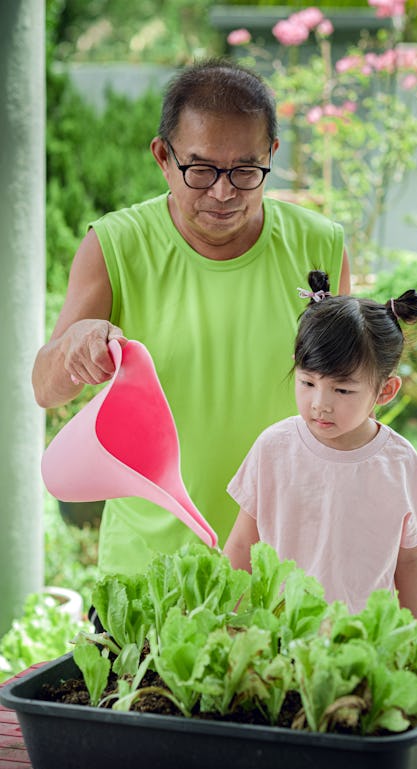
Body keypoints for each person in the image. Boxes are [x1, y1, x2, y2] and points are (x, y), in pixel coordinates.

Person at [32, 58, 350, 577]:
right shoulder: (116, 245)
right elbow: (45, 389)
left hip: (286, 568)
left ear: (272, 154)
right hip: (151, 576)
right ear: (163, 156)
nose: (223, 192)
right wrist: (76, 344)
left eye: (245, 170)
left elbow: (349, 392)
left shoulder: (319, 244)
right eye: (200, 170)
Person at [224, 271, 417, 618]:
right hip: (281, 637)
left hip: (366, 642)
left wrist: (413, 640)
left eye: (342, 390)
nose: (320, 403)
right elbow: (241, 545)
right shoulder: (273, 448)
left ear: (385, 391)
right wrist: (231, 622)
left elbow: (410, 560)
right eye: (307, 382)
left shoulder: (399, 462)